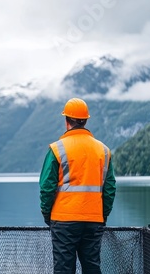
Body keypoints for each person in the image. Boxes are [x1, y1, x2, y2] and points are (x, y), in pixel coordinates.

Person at [39, 98, 116, 274]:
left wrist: (47, 214)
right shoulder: (103, 150)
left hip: (63, 220)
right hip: (93, 220)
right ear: (86, 120)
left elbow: (46, 187)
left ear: (66, 121)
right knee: (92, 267)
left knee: (64, 268)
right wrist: (102, 215)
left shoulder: (57, 149)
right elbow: (110, 188)